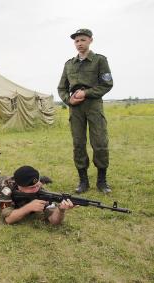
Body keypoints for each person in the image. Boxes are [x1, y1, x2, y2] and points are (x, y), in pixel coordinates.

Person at [58, 29, 113, 194]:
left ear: (90, 40)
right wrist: (69, 100)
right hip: (76, 109)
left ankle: (102, 181)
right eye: (77, 41)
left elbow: (106, 84)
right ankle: (83, 181)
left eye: (83, 40)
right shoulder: (69, 64)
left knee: (100, 143)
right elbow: (61, 87)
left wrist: (86, 93)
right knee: (78, 144)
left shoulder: (99, 61)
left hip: (94, 105)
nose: (79, 43)